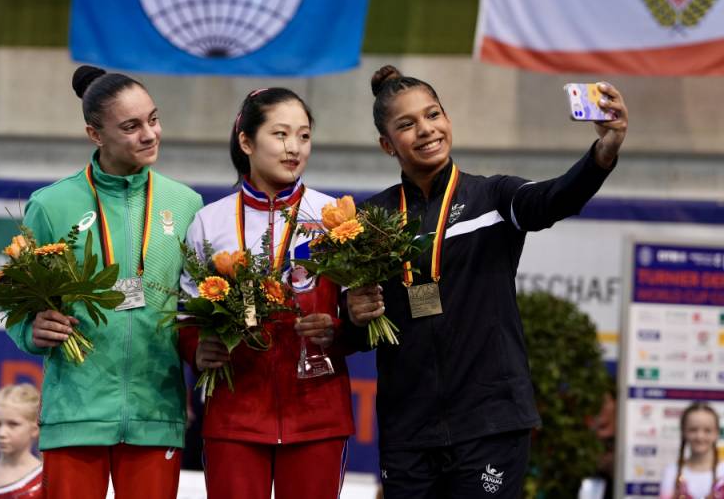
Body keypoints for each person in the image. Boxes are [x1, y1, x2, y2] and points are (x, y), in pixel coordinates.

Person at [345, 65, 629, 499]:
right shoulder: (369, 222)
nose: (426, 129)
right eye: (407, 124)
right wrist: (352, 315)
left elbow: (554, 198)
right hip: (408, 431)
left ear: (448, 119)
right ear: (387, 144)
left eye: (433, 114)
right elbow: (355, 336)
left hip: (489, 423)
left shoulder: (493, 199)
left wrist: (603, 152)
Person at [5, 65, 203, 498]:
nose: (149, 135)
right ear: (95, 134)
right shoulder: (51, 205)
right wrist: (31, 328)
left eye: (153, 119)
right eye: (131, 127)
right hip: (75, 411)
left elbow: (194, 306)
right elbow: (19, 306)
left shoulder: (185, 204)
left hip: (155, 412)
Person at [178, 87, 354, 499]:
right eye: (280, 134)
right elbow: (187, 317)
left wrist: (340, 329)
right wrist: (198, 350)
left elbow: (360, 314)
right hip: (235, 415)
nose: (294, 147)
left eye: (304, 136)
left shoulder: (335, 216)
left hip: (317, 415)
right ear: (246, 141)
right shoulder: (209, 221)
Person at [660, 402, 724, 499]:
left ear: (716, 433)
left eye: (707, 430)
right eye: (693, 430)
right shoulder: (671, 472)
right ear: (683, 431)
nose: (700, 436)